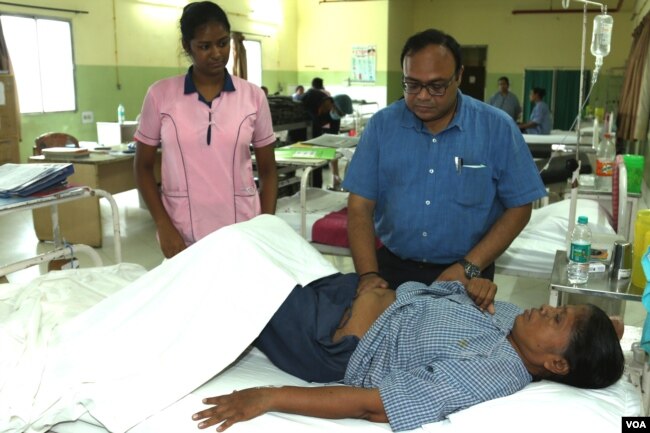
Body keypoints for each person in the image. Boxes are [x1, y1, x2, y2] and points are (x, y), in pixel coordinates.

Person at [193, 274, 624, 432]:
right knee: (254, 249)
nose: (545, 308)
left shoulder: (492, 371)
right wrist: (470, 282)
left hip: (331, 338)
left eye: (556, 318)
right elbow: (444, 290)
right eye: (557, 308)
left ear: (556, 364)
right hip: (357, 290)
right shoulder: (514, 323)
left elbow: (371, 406)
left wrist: (268, 396)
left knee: (228, 272)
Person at [341, 28, 547, 292]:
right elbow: (359, 206)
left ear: (458, 76)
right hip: (392, 269)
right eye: (412, 85)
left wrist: (469, 266)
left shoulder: (496, 128)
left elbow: (520, 207)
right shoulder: (382, 127)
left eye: (437, 86)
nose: (423, 96)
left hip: (470, 270)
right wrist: (368, 274)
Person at [134, 1, 278, 259]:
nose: (216, 53)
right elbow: (142, 167)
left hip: (243, 227)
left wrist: (266, 225)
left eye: (223, 43)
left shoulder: (253, 97)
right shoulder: (160, 95)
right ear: (186, 46)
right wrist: (163, 225)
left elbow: (268, 170)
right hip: (182, 229)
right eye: (204, 46)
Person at [289, 88, 354, 189]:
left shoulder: (334, 119)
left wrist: (335, 175)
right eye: (340, 113)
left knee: (316, 173)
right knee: (289, 169)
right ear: (331, 103)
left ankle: (316, 192)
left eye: (342, 115)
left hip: (314, 142)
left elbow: (333, 145)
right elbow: (295, 107)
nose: (338, 116)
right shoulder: (313, 96)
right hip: (296, 134)